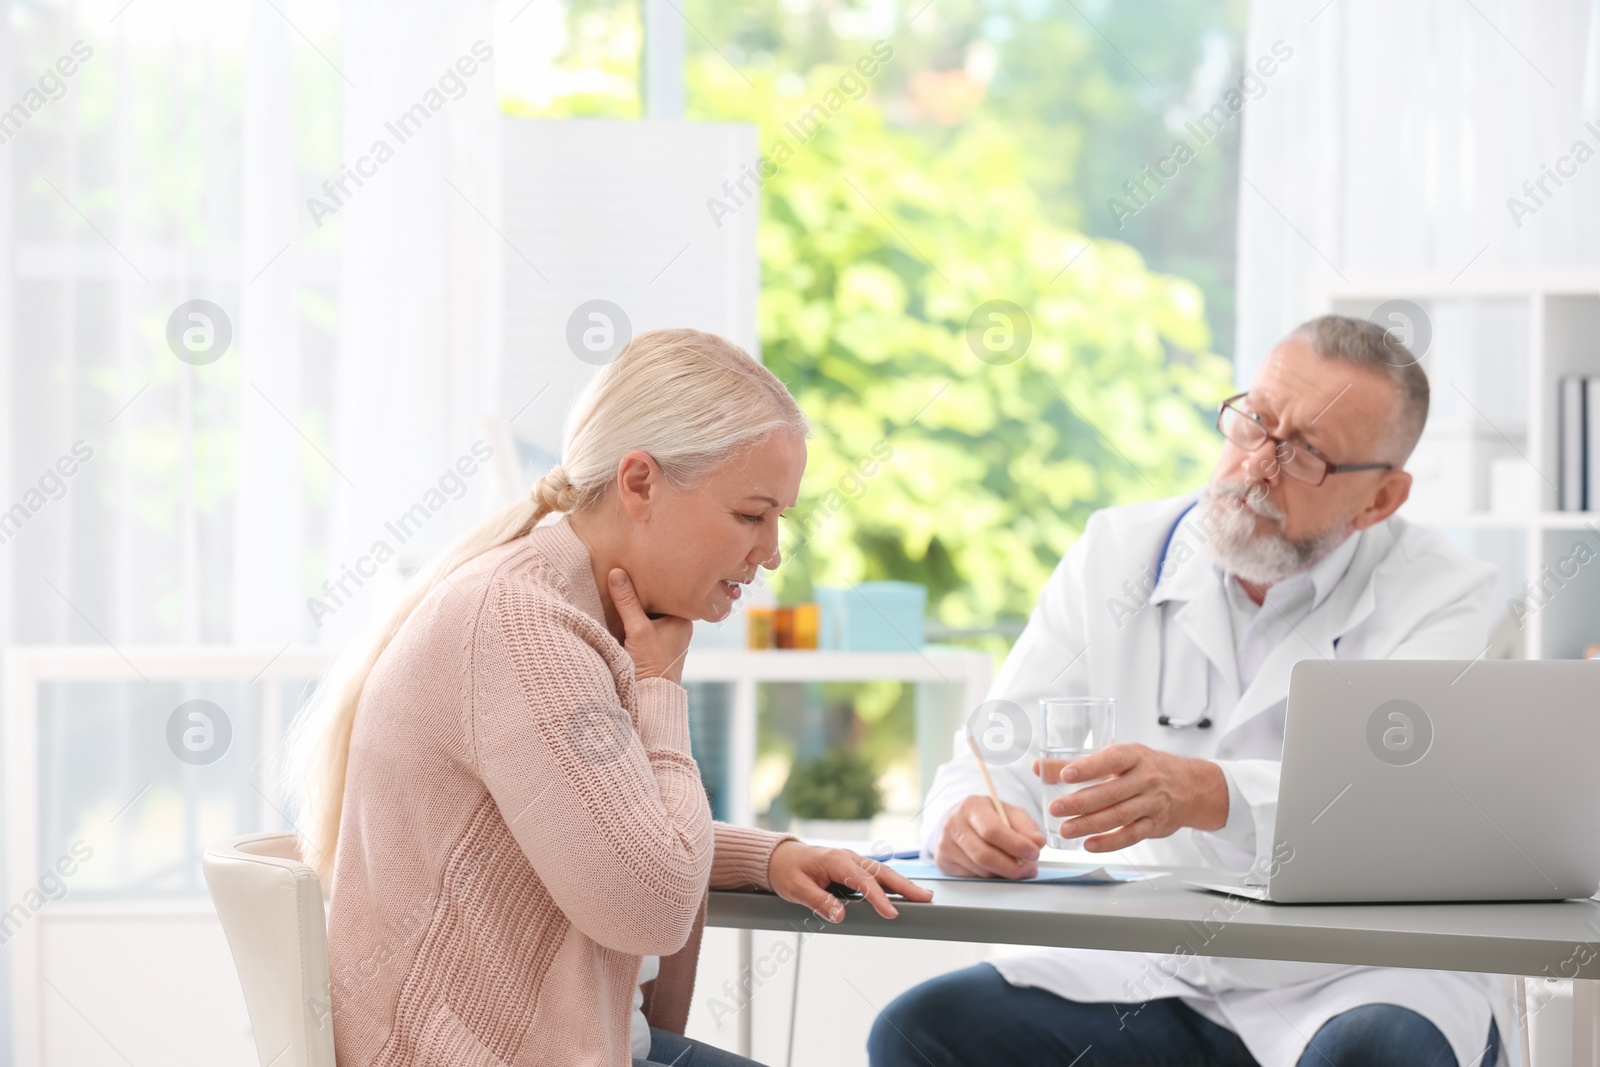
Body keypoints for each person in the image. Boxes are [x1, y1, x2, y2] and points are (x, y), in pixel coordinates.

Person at [868, 315, 1508, 1067]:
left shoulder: (1447, 596)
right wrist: (968, 814)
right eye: (1256, 422)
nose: (1257, 467)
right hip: (1154, 966)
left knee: (1375, 1054)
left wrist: (1210, 793)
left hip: (1354, 975)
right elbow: (999, 742)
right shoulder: (1118, 550)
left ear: (1380, 500)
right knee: (921, 1028)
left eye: (1305, 453)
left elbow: (1392, 805)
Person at [290, 328, 931, 1067]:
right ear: (639, 483)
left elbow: (593, 827)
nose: (772, 550)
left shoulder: (558, 604)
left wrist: (769, 857)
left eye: (779, 518)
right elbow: (648, 903)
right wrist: (660, 690)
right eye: (751, 515)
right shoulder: (524, 626)